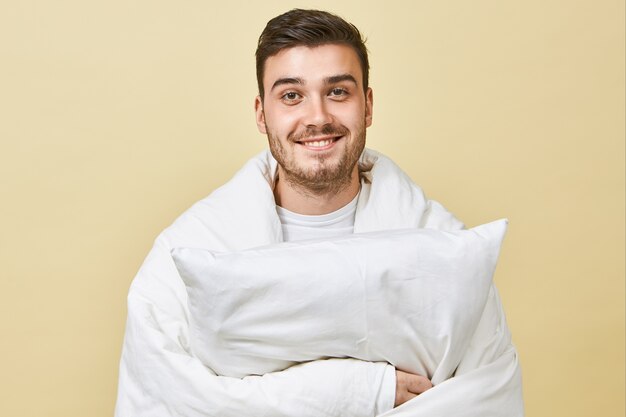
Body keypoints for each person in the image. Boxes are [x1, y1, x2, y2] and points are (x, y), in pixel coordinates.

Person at [115, 9, 523, 416]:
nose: (318, 117)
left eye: (338, 92)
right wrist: (363, 390)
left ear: (367, 105)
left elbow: (489, 397)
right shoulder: (188, 250)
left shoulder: (446, 248)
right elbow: (164, 400)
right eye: (291, 95)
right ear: (262, 113)